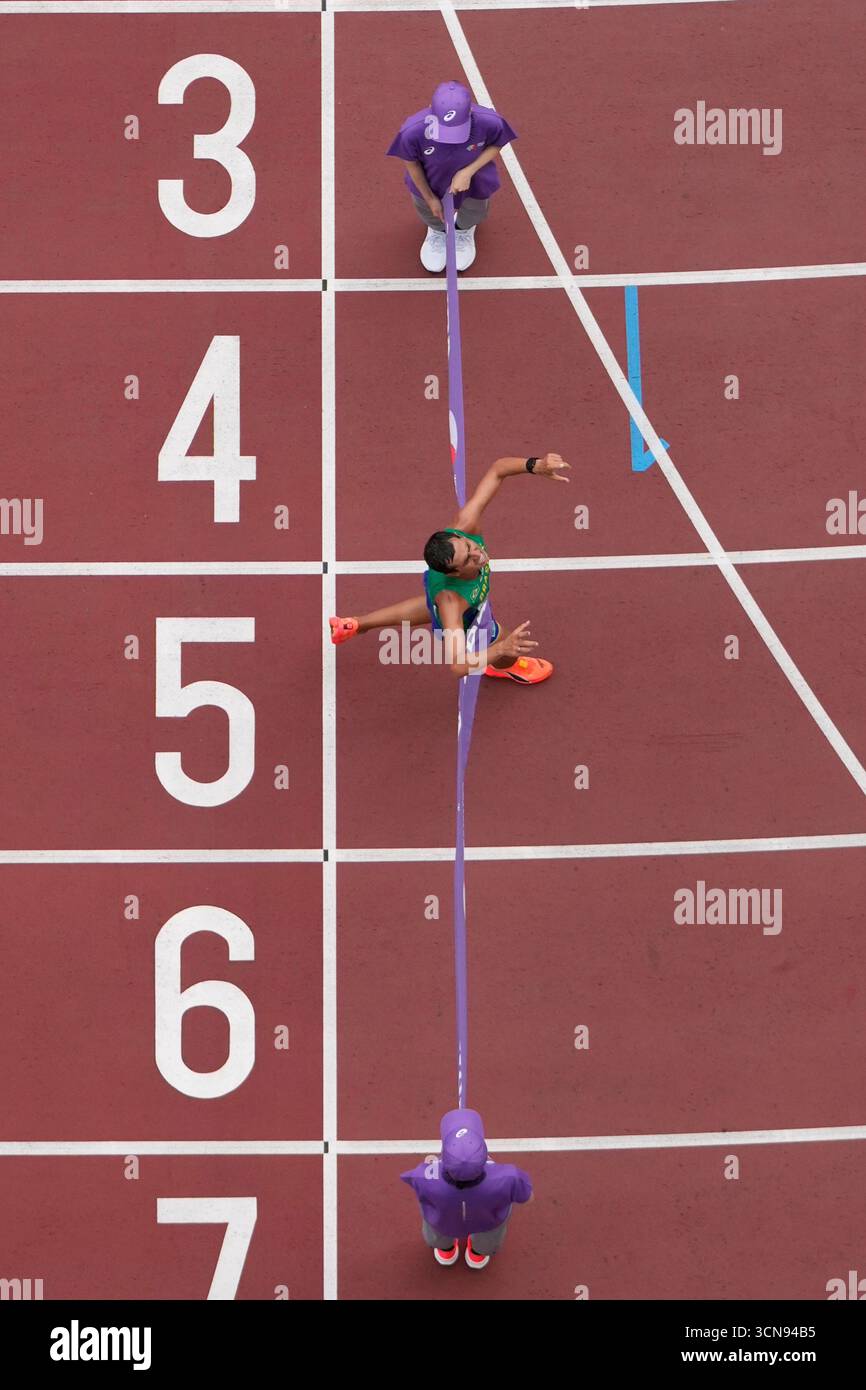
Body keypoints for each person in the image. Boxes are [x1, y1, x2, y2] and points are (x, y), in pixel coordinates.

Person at [329, 453, 570, 684]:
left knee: (429, 607)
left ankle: (357, 624)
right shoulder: (451, 603)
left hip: (441, 598)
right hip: (463, 614)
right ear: (453, 573)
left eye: (468, 545)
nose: (477, 553)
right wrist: (499, 650)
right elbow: (457, 666)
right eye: (467, 559)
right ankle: (505, 667)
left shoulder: (466, 525)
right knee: (503, 638)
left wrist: (535, 465)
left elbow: (498, 470)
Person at [386, 80, 518, 273]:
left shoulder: (490, 122)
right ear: (430, 110)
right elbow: (412, 164)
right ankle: (437, 231)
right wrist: (430, 198)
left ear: (471, 111)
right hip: (430, 181)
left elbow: (497, 144)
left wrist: (468, 171)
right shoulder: (412, 132)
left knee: (474, 209)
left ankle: (463, 230)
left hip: (475, 181)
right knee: (429, 210)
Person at [401, 1108, 534, 1268]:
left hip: (443, 1223)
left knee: (437, 1231)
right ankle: (477, 1255)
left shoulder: (423, 1176)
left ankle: (446, 1251)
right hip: (487, 1223)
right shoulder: (508, 1177)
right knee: (488, 1239)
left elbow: (414, 1180)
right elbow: (527, 1197)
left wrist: (433, 1164)